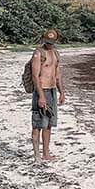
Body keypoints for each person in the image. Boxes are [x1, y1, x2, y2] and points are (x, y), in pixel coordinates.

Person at [31, 28, 65, 160]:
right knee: (38, 124)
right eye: (47, 41)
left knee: (49, 124)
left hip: (52, 91)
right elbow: (35, 76)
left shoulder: (55, 53)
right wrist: (41, 96)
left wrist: (62, 92)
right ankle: (37, 156)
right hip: (42, 90)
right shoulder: (38, 53)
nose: (49, 44)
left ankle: (46, 153)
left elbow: (57, 75)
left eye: (51, 41)